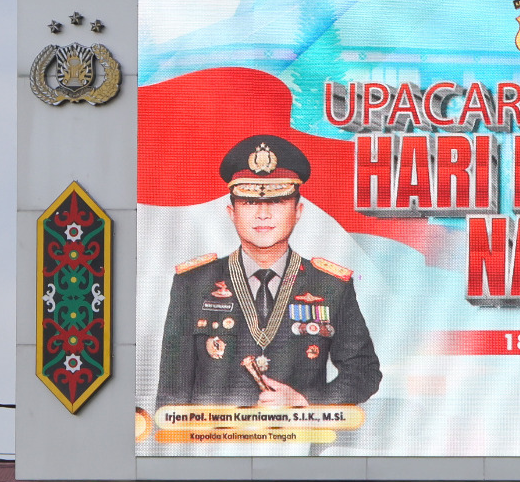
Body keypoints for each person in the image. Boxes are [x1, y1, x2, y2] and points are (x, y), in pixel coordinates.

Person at [154, 134, 381, 409]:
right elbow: (172, 392)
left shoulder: (330, 285)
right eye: (249, 203)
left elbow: (364, 372)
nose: (263, 214)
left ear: (298, 211)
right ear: (231, 211)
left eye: (277, 202)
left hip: (300, 442)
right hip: (214, 443)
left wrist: (307, 401)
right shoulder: (193, 283)